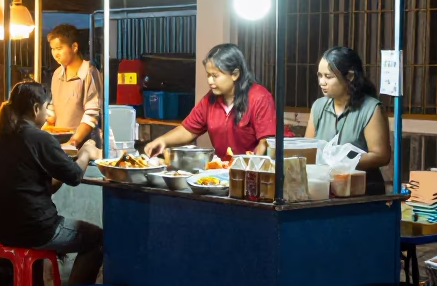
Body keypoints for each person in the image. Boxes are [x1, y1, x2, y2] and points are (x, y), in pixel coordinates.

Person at [0, 81, 103, 286]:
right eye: (47, 108)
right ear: (35, 108)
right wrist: (85, 152)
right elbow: (75, 176)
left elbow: (34, 186)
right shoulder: (39, 138)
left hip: (3, 229)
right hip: (37, 229)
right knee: (97, 239)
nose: (48, 114)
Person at [144, 43, 275, 161]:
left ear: (235, 74)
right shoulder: (209, 100)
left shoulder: (259, 97)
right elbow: (188, 129)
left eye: (215, 76)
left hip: (250, 175)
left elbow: (266, 143)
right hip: (223, 173)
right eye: (208, 75)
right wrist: (163, 140)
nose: (210, 81)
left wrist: (251, 169)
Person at [306, 46, 392, 195]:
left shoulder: (371, 108)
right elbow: (308, 149)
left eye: (328, 76)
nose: (322, 82)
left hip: (362, 193)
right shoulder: (318, 107)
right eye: (320, 75)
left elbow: (381, 156)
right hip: (325, 192)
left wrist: (341, 162)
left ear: (350, 76)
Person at [45, 24, 102, 148]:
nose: (55, 53)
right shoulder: (57, 74)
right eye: (53, 49)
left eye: (59, 48)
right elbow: (53, 108)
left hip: (85, 144)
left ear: (74, 47)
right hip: (60, 143)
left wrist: (73, 142)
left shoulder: (91, 73)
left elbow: (92, 115)